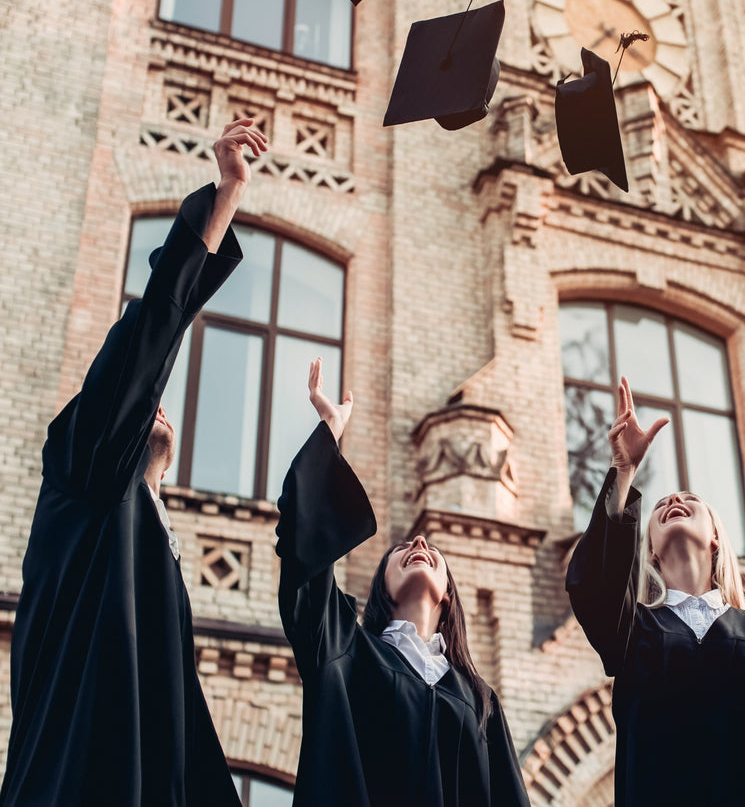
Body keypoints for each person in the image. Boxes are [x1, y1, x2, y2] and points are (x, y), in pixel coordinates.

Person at [1, 118, 267, 806]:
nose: (157, 404)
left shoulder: (159, 547)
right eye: (143, 400)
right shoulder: (83, 477)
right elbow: (147, 337)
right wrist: (226, 198)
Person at [566, 376, 745, 806]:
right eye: (660, 507)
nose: (672, 500)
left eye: (689, 500)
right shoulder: (633, 631)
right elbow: (594, 587)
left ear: (716, 536)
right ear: (651, 553)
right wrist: (624, 470)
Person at [275, 358, 531, 807]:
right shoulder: (345, 648)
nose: (418, 541)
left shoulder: (478, 696)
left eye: (433, 553)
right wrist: (330, 436)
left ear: (448, 594)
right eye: (400, 553)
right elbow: (305, 561)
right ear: (382, 589)